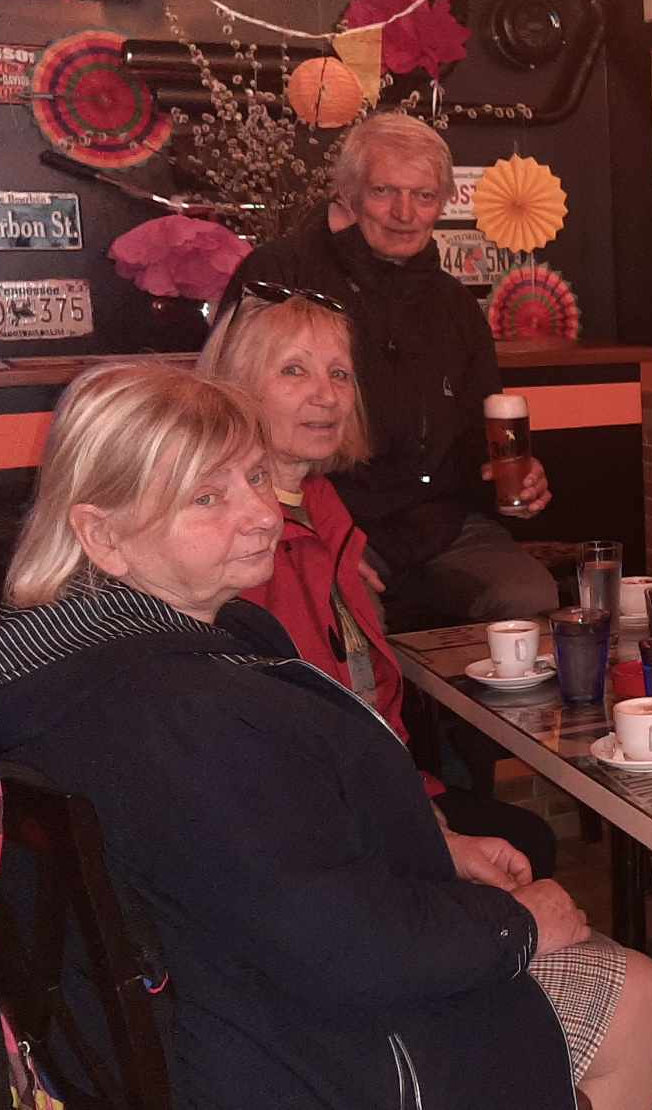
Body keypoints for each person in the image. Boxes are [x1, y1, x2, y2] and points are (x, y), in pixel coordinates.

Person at [0, 364, 652, 1110]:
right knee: (633, 987)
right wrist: (517, 927)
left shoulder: (64, 651)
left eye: (255, 477)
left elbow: (249, 862)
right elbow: (342, 948)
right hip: (284, 1055)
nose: (259, 514)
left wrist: (433, 845)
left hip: (204, 1004)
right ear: (102, 535)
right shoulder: (181, 708)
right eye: (207, 497)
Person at [198, 288, 560, 877]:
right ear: (235, 387)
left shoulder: (322, 504)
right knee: (525, 854)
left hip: (366, 785)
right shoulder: (235, 538)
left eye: (340, 374)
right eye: (294, 370)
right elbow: (277, 737)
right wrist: (416, 826)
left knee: (527, 841)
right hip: (304, 827)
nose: (327, 395)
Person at [226, 112, 557, 624]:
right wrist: (317, 534)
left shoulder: (454, 304)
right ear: (350, 193)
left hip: (443, 526)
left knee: (529, 598)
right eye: (384, 191)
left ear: (443, 202)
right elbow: (234, 422)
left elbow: (478, 433)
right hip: (325, 518)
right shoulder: (282, 275)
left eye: (423, 196)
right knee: (346, 617)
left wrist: (518, 475)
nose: (404, 213)